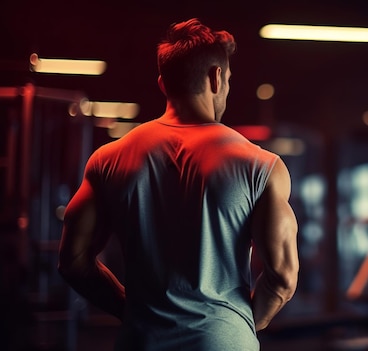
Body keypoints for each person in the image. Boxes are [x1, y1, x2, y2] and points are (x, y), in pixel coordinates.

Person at [58, 18, 299, 350]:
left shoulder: (108, 159)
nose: (227, 89)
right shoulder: (260, 166)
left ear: (162, 84)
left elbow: (73, 261)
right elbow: (283, 279)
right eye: (228, 80)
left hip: (142, 340)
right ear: (216, 77)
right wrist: (233, 327)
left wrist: (129, 310)